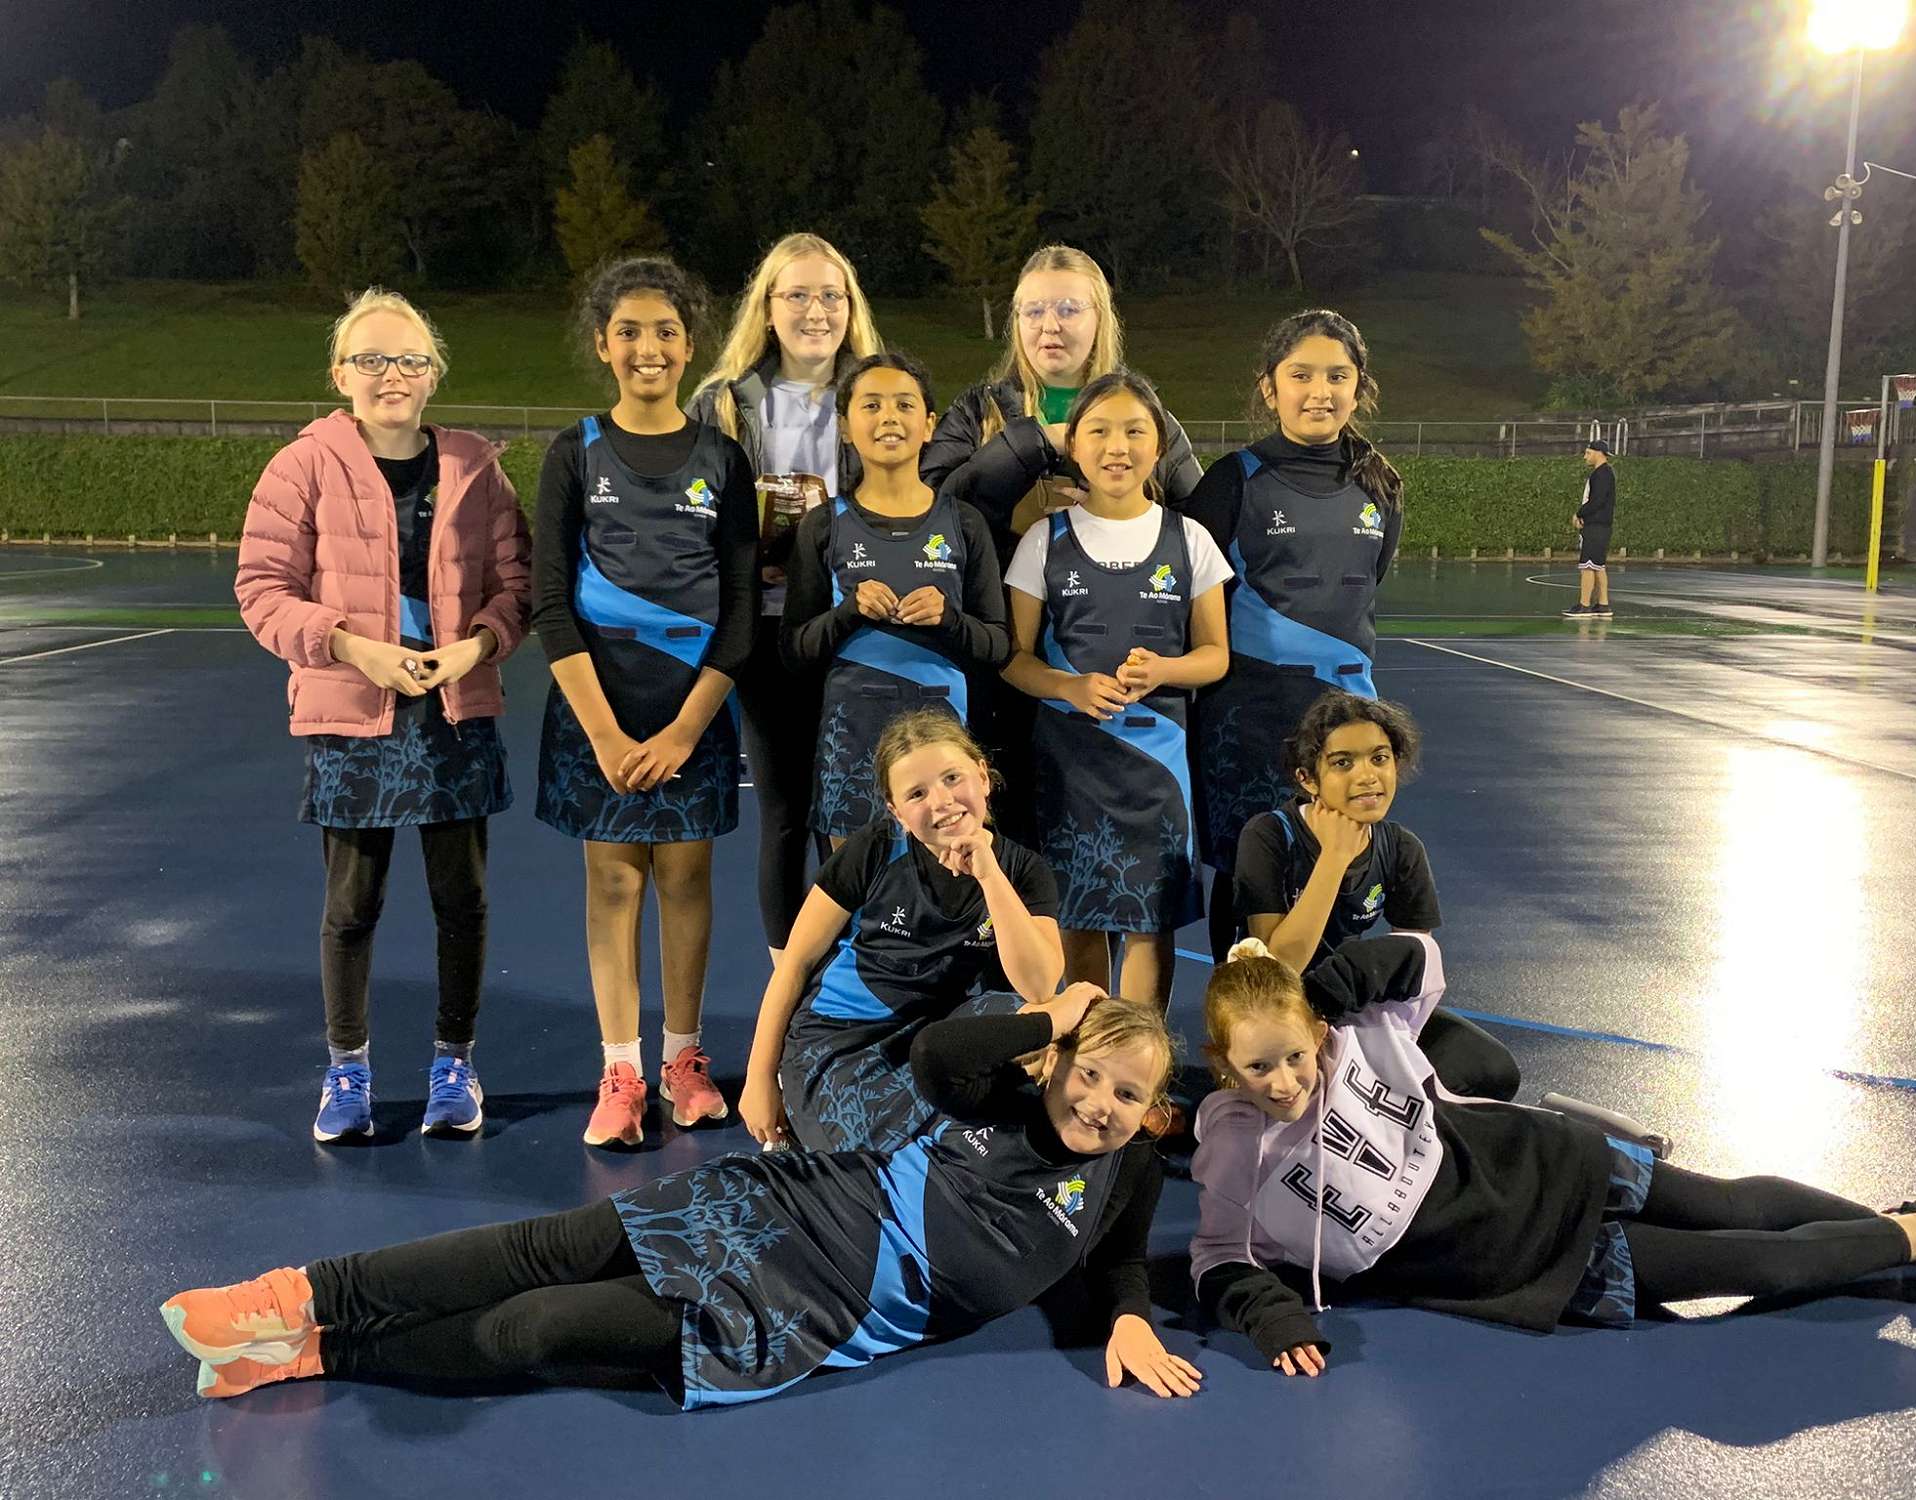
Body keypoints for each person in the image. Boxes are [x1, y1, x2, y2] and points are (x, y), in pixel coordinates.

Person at [161, 990, 1205, 1407]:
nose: (1102, 1105)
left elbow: (1116, 1256)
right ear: (1057, 1064)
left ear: (1152, 1111)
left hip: (814, 1310)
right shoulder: (1000, 1092)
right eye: (1091, 1076)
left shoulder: (1127, 1171)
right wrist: (1051, 1016)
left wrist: (1126, 1315)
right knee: (548, 1245)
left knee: (539, 1327)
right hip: (781, 1205)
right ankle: (290, 1298)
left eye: (1129, 1096)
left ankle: (314, 1352)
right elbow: (936, 1054)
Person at [1189, 937, 1916, 1378]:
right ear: (1224, 1066)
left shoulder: (1361, 1034)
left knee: (1730, 1203)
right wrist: (1272, 1317)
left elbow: (1421, 956)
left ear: (1316, 1032)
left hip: (1542, 1164)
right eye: (1258, 1067)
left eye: (1295, 1055)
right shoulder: (1233, 1152)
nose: (1284, 1081)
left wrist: (1326, 988)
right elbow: (1218, 1257)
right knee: (1759, 1264)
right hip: (1520, 1259)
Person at [235, 287, 530, 1143]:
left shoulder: (477, 467)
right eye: (371, 358)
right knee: (352, 904)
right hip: (350, 710)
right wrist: (352, 649)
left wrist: (474, 649)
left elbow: (517, 586)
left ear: (434, 374)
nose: (390, 374)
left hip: (454, 712)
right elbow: (262, 590)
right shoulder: (302, 466)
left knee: (462, 900)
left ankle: (454, 1066)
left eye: (408, 359)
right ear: (340, 373)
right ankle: (347, 1072)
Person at [532, 255, 757, 1147]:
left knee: (687, 878)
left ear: (689, 345)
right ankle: (620, 1073)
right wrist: (605, 736)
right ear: (603, 344)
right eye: (628, 331)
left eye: (665, 331)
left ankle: (683, 1060)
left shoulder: (723, 459)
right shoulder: (574, 451)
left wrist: (685, 730)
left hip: (690, 709)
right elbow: (552, 604)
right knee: (615, 879)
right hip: (602, 709)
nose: (648, 347)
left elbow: (740, 613)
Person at [922, 245, 1203, 848]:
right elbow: (934, 507)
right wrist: (1036, 447)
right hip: (1001, 655)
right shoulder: (981, 408)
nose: (1050, 325)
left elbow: (1196, 521)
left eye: (1069, 309)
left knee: (1107, 837)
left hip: (1115, 663)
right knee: (1005, 826)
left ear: (1101, 318)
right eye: (1033, 311)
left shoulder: (1142, 411)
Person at [1002, 370, 1230, 1007]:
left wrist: (1163, 670)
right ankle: (1088, 1047)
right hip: (1070, 764)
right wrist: (1069, 687)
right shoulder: (1044, 540)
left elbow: (1214, 656)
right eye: (1099, 431)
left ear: (1159, 446)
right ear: (1074, 446)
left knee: (1152, 923)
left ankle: (1142, 1057)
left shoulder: (1190, 539)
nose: (1117, 447)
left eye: (1135, 431)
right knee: (1078, 916)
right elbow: (1014, 660)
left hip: (1158, 769)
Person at [686, 233, 884, 961]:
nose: (815, 310)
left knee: (860, 813)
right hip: (767, 634)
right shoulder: (721, 404)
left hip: (856, 630)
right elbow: (691, 516)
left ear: (851, 307)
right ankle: (791, 984)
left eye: (831, 295)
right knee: (786, 814)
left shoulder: (879, 394)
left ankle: (865, 974)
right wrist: (746, 563)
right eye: (797, 294)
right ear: (767, 308)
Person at [739, 708, 1063, 1153]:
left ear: (983, 776)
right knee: (871, 1160)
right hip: (838, 1040)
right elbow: (795, 964)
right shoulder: (874, 850)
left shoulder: (1023, 871)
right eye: (917, 794)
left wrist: (990, 877)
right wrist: (758, 1079)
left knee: (1029, 1019)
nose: (941, 801)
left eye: (952, 778)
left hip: (928, 1037)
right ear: (897, 813)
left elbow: (1040, 986)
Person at [1183, 310, 1404, 962]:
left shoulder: (1380, 483)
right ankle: (1239, 1023)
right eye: (1301, 375)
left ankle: (1321, 1024)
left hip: (1347, 721)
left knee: (1336, 865)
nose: (1319, 392)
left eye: (1337, 376)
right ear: (1270, 387)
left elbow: (1366, 583)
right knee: (1250, 876)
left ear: (1359, 386)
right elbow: (1197, 598)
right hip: (1248, 721)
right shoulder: (1233, 480)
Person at [1233, 689, 1520, 1103]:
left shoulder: (1400, 847)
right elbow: (1278, 967)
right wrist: (1334, 857)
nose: (1367, 776)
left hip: (1351, 1002)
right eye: (1343, 762)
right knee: (1331, 1091)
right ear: (1307, 779)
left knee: (1489, 1071)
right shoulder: (1269, 836)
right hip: (1276, 1014)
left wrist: (1396, 1043)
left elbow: (1412, 966)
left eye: (1379, 758)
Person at [781, 354, 1010, 846]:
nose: (889, 417)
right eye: (872, 405)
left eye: (905, 405)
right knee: (859, 889)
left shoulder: (964, 523)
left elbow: (998, 646)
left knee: (948, 887)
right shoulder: (824, 525)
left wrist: (948, 618)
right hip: (852, 748)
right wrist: (848, 613)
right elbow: (794, 650)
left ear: (928, 425)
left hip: (944, 751)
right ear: (845, 427)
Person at [1565, 440, 1616, 619]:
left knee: (1587, 565)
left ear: (1598, 453)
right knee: (1598, 566)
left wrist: (1579, 514)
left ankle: (1584, 605)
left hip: (1596, 526)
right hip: (1601, 525)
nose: (1585, 457)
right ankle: (1603, 605)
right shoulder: (1605, 473)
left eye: (1588, 453)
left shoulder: (1601, 474)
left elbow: (1596, 501)